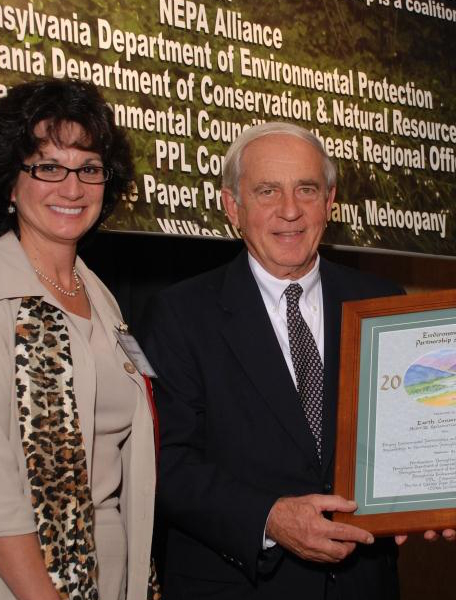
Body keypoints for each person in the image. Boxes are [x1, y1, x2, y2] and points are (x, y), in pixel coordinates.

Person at [0, 79, 157, 600]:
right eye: (48, 167)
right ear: (8, 182)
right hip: (2, 579)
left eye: (89, 168)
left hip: (108, 573)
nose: (72, 188)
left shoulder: (103, 300)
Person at [141, 122, 401, 598]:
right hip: (240, 585)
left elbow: (408, 433)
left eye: (306, 189)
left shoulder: (384, 302)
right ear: (232, 208)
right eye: (267, 191)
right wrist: (268, 518)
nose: (290, 210)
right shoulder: (180, 314)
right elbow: (164, 461)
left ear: (331, 201)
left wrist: (425, 497)